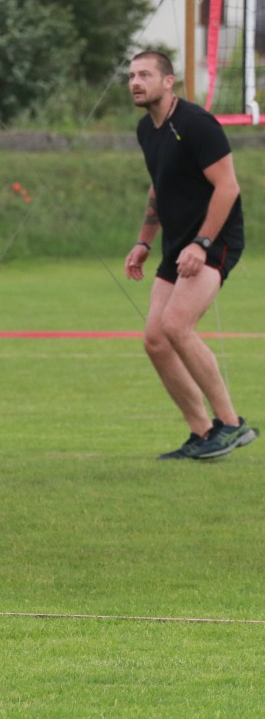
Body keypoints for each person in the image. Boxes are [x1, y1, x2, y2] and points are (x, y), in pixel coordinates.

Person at [124, 51, 255, 460]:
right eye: (130, 75)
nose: (135, 82)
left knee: (177, 325)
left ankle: (231, 425)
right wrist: (145, 241)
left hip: (213, 240)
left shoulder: (197, 124)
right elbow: (158, 187)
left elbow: (228, 187)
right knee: (155, 340)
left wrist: (201, 244)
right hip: (177, 242)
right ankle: (202, 432)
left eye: (145, 74)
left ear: (169, 81)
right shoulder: (147, 129)